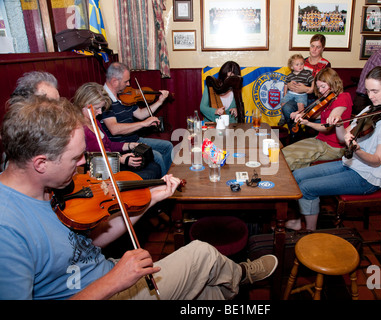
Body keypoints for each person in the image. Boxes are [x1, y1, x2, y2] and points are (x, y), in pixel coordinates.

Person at [0, 96, 278, 300]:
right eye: (76, 157)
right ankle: (242, 275)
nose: (84, 162)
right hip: (106, 290)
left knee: (209, 294)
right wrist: (113, 280)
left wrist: (152, 197)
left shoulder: (50, 189)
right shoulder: (7, 229)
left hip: (106, 275)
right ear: (40, 163)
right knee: (201, 253)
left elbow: (89, 240)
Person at [285, 66, 381, 231]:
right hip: (350, 164)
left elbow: (377, 161)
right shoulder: (371, 109)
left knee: (305, 187)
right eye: (368, 90)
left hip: (367, 178)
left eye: (375, 91)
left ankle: (310, 230)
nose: (370, 96)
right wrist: (339, 125)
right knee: (298, 175)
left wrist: (356, 149)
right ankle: (302, 220)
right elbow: (343, 137)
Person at [73, 82, 161, 179]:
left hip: (112, 163)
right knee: (149, 173)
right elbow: (93, 157)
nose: (100, 112)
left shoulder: (95, 122)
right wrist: (121, 159)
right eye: (97, 108)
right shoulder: (79, 129)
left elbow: (109, 145)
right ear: (83, 105)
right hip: (102, 171)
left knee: (154, 167)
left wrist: (130, 145)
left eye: (101, 108)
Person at [101, 62, 173, 176]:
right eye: (126, 81)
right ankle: (163, 184)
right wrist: (143, 124)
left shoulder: (125, 95)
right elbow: (114, 129)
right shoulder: (104, 100)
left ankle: (166, 178)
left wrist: (159, 102)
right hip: (122, 146)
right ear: (114, 81)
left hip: (135, 140)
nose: (129, 84)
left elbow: (140, 114)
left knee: (168, 146)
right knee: (157, 156)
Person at [281, 68, 353, 171]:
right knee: (284, 152)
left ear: (333, 82)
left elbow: (327, 127)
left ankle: (296, 179)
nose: (320, 90)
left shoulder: (342, 98)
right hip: (320, 140)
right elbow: (317, 115)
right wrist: (301, 113)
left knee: (289, 159)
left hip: (332, 147)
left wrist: (308, 123)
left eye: (323, 86)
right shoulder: (330, 98)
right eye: (319, 87)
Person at [280, 34, 331, 140]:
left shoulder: (325, 64)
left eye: (318, 47)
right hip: (297, 95)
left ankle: (299, 133)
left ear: (323, 48)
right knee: (286, 107)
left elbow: (325, 87)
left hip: (314, 98)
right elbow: (292, 77)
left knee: (303, 108)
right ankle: (295, 133)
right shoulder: (302, 62)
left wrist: (308, 89)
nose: (314, 49)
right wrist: (289, 84)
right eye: (312, 46)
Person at [280, 54, 314, 132]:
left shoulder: (306, 74)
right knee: (283, 102)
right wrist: (285, 94)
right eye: (297, 64)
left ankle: (300, 120)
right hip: (291, 93)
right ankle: (283, 116)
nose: (300, 66)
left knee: (300, 105)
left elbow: (312, 81)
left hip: (301, 94)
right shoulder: (290, 75)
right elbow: (286, 84)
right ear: (292, 67)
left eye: (302, 64)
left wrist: (311, 88)